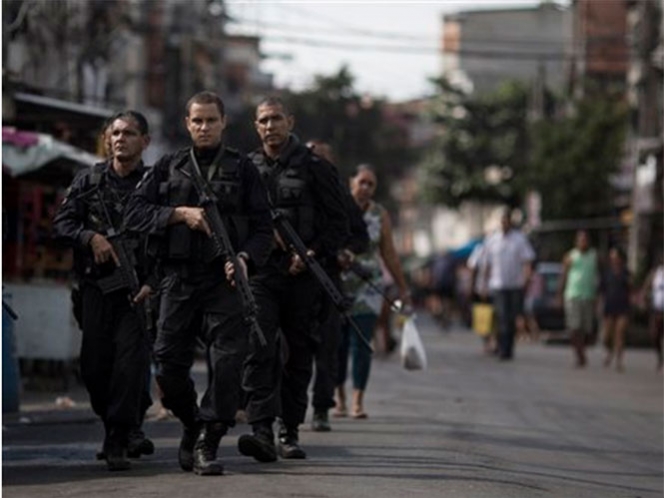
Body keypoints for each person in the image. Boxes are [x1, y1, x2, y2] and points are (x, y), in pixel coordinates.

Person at [124, 91, 273, 476]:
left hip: (223, 281)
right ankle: (193, 421)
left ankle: (209, 438)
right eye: (197, 121)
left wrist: (243, 258)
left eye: (211, 120)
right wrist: (178, 214)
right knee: (168, 366)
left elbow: (262, 228)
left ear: (223, 122)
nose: (204, 127)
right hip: (178, 279)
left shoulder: (243, 169)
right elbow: (134, 213)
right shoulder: (168, 166)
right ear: (188, 124)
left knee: (227, 365)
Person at [238, 97, 349, 462]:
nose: (270, 126)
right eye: (264, 120)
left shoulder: (316, 167)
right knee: (260, 347)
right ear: (256, 126)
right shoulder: (245, 168)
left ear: (290, 121)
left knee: (298, 353)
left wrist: (313, 253)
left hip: (303, 277)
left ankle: (289, 429)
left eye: (276, 119)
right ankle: (260, 429)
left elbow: (339, 224)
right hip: (261, 272)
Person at [52, 110, 155, 471]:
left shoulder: (155, 185)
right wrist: (89, 236)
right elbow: (61, 224)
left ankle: (118, 436)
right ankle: (120, 424)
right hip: (96, 288)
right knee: (95, 368)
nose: (119, 139)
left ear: (145, 141)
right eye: (115, 133)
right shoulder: (89, 180)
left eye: (128, 133)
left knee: (129, 367)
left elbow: (171, 238)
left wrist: (153, 282)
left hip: (137, 292)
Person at [334, 164, 411, 419]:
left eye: (371, 184)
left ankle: (358, 399)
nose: (365, 188)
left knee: (362, 343)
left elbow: (388, 253)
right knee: (339, 343)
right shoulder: (338, 207)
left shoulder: (380, 214)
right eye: (362, 182)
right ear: (351, 182)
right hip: (337, 282)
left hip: (369, 285)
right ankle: (339, 398)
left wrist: (402, 287)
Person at [306, 139, 369, 432]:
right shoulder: (294, 191)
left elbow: (360, 237)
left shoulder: (341, 196)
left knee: (328, 349)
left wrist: (346, 252)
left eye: (322, 158)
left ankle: (322, 407)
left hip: (328, 279)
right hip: (292, 277)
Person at [481, 209, 535, 361]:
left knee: (511, 317)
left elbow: (527, 261)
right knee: (501, 316)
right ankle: (502, 347)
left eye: (507, 220)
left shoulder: (519, 239)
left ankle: (508, 347)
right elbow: (488, 264)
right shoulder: (493, 240)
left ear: (510, 222)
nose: (504, 223)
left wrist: (526, 278)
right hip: (497, 285)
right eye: (502, 221)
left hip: (515, 285)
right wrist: (484, 284)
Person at [557, 230, 600, 368]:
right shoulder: (570, 256)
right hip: (573, 295)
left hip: (588, 296)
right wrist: (559, 294)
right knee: (574, 328)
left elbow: (599, 275)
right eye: (580, 240)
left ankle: (582, 350)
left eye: (585, 240)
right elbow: (563, 275)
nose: (583, 242)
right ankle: (579, 355)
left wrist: (599, 295)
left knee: (586, 329)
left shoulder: (594, 255)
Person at [600, 247, 632, 372]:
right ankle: (609, 351)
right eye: (612, 257)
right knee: (607, 337)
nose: (613, 259)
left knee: (620, 334)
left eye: (615, 257)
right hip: (609, 306)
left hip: (623, 307)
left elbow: (631, 288)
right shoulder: (607, 273)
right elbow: (601, 290)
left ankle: (619, 361)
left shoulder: (626, 272)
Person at [640, 255, 664, 372]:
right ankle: (660, 357)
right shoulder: (655, 273)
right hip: (657, 308)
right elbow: (646, 287)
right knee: (655, 335)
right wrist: (644, 299)